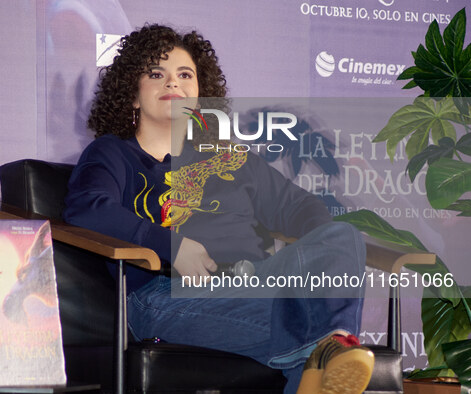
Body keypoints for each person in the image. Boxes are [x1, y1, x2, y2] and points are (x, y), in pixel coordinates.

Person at [63, 24, 374, 394]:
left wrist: (306, 261)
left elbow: (303, 208)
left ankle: (330, 345)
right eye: (156, 74)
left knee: (343, 235)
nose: (172, 84)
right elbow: (88, 208)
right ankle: (332, 346)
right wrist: (172, 245)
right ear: (132, 95)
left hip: (254, 281)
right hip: (166, 295)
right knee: (301, 321)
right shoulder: (113, 154)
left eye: (184, 75)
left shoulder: (230, 161)